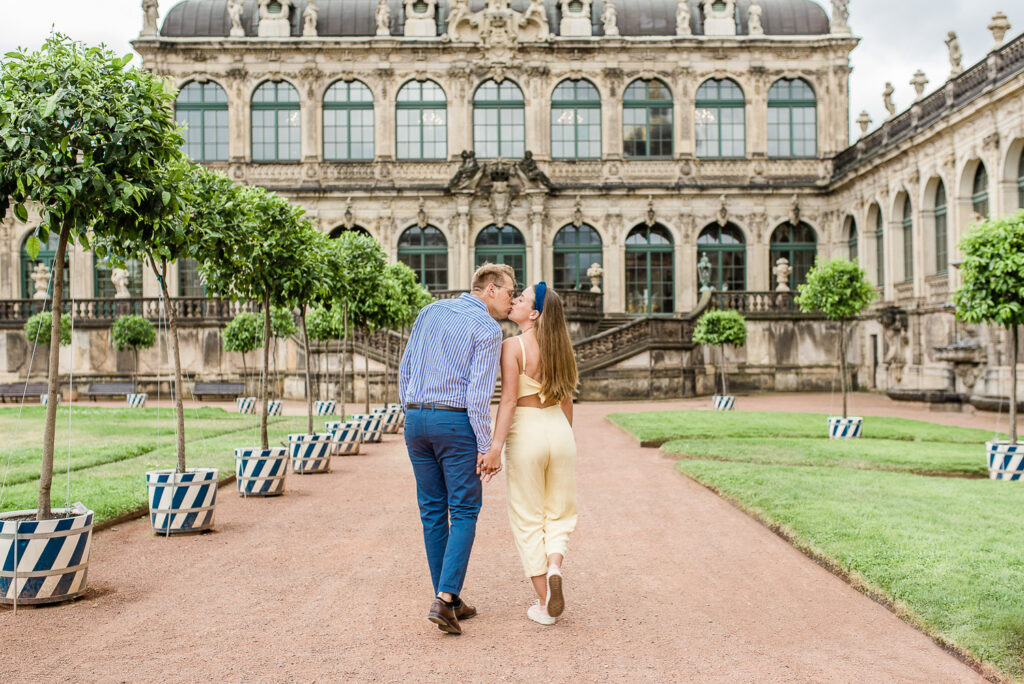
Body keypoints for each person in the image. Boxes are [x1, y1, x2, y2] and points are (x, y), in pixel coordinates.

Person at [399, 263, 515, 635]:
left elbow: (405, 370)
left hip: (416, 420)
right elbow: (478, 397)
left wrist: (411, 414)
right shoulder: (487, 328)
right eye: (510, 292)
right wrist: (487, 447)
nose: (512, 301)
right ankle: (446, 597)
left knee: (432, 510)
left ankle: (448, 599)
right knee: (464, 510)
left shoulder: (429, 310)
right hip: (454, 423)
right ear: (491, 289)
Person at [482, 282, 579, 626]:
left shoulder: (512, 346)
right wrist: (565, 439)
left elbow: (508, 400)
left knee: (527, 516)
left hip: (527, 432)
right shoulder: (561, 348)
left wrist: (495, 448)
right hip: (559, 430)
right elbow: (567, 400)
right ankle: (555, 566)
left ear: (534, 313)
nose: (514, 301)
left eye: (520, 299)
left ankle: (544, 601)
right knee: (559, 511)